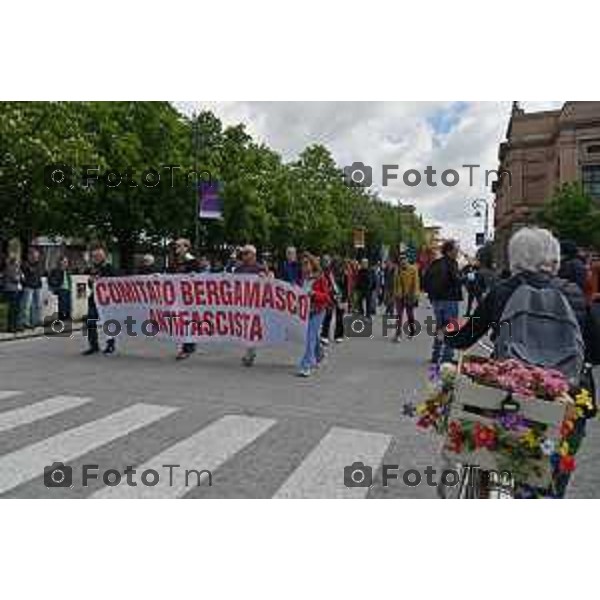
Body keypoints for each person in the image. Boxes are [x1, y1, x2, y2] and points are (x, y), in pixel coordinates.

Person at [423, 239, 463, 364]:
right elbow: (456, 280)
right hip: (450, 300)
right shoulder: (452, 263)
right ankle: (447, 356)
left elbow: (426, 280)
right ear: (449, 251)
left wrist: (431, 296)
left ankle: (436, 354)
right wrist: (464, 278)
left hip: (437, 301)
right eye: (456, 250)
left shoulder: (435, 264)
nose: (457, 253)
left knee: (440, 328)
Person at [297, 253, 332, 377]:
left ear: (312, 264)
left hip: (318, 311)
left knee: (310, 336)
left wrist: (314, 294)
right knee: (313, 336)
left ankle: (306, 365)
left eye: (307, 263)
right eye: (302, 264)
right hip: (307, 312)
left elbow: (327, 297)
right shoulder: (303, 279)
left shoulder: (320, 278)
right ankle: (319, 354)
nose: (304, 267)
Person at [234, 244, 267, 366]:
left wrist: (265, 278)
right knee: (246, 328)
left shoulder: (260, 268)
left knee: (251, 328)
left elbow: (270, 282)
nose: (243, 256)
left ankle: (250, 352)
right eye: (243, 253)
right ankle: (250, 351)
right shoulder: (238, 269)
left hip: (255, 303)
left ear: (253, 255)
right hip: (242, 303)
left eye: (246, 253)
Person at [82, 246, 118, 356]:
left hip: (107, 301)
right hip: (94, 299)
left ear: (104, 257)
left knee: (108, 323)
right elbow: (91, 285)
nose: (96, 258)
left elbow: (118, 282)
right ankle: (93, 346)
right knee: (91, 321)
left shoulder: (110, 268)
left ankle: (110, 345)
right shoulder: (93, 269)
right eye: (94, 256)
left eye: (98, 256)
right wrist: (91, 281)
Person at [169, 238, 199, 360]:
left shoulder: (192, 262)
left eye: (179, 246)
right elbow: (169, 275)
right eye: (176, 246)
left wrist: (194, 276)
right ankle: (189, 344)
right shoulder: (175, 262)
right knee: (180, 321)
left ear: (186, 247)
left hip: (189, 298)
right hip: (177, 296)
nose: (177, 248)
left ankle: (187, 347)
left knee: (187, 321)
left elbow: (200, 278)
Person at [393, 252, 420, 341]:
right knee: (399, 316)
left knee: (410, 315)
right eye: (401, 260)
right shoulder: (397, 270)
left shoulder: (413, 269)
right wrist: (395, 294)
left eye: (404, 259)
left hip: (409, 295)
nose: (403, 261)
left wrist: (416, 294)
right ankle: (398, 334)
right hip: (399, 296)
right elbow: (395, 283)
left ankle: (412, 330)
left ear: (407, 260)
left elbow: (416, 282)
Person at [19, 247, 45, 330]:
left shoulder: (39, 264)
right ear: (29, 255)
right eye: (33, 255)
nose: (35, 257)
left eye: (36, 255)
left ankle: (36, 321)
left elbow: (41, 273)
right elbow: (26, 274)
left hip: (37, 286)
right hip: (28, 286)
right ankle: (24, 322)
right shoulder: (25, 264)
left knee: (38, 305)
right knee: (26, 305)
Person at [2, 255, 23, 333]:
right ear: (14, 262)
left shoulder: (17, 269)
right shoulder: (10, 269)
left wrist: (20, 276)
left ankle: (16, 325)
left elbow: (22, 278)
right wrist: (19, 276)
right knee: (12, 310)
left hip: (17, 290)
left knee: (16, 309)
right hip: (11, 291)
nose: (19, 263)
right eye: (18, 261)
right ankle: (11, 327)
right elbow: (16, 278)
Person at [48, 256, 73, 321]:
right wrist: (56, 285)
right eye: (64, 262)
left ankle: (67, 316)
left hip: (68, 289)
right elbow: (51, 279)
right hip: (60, 288)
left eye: (66, 262)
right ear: (60, 262)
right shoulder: (56, 270)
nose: (65, 264)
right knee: (62, 303)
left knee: (68, 303)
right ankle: (62, 317)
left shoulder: (67, 271)